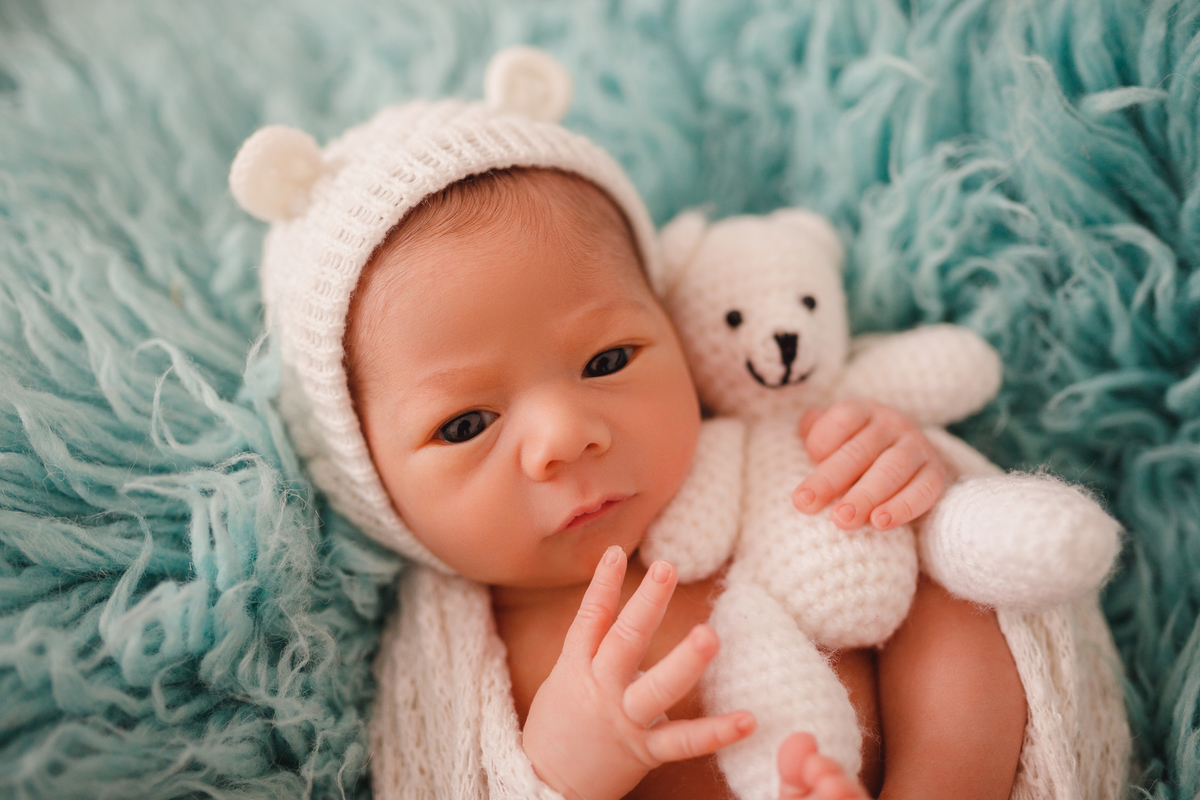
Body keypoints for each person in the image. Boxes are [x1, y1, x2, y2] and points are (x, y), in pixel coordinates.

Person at [229, 47, 1125, 800]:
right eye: (465, 424)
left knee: (962, 586)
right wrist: (559, 768)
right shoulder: (467, 647)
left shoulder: (765, 464)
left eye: (608, 362)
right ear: (367, 481)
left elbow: (970, 572)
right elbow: (437, 772)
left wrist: (912, 477)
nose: (565, 438)